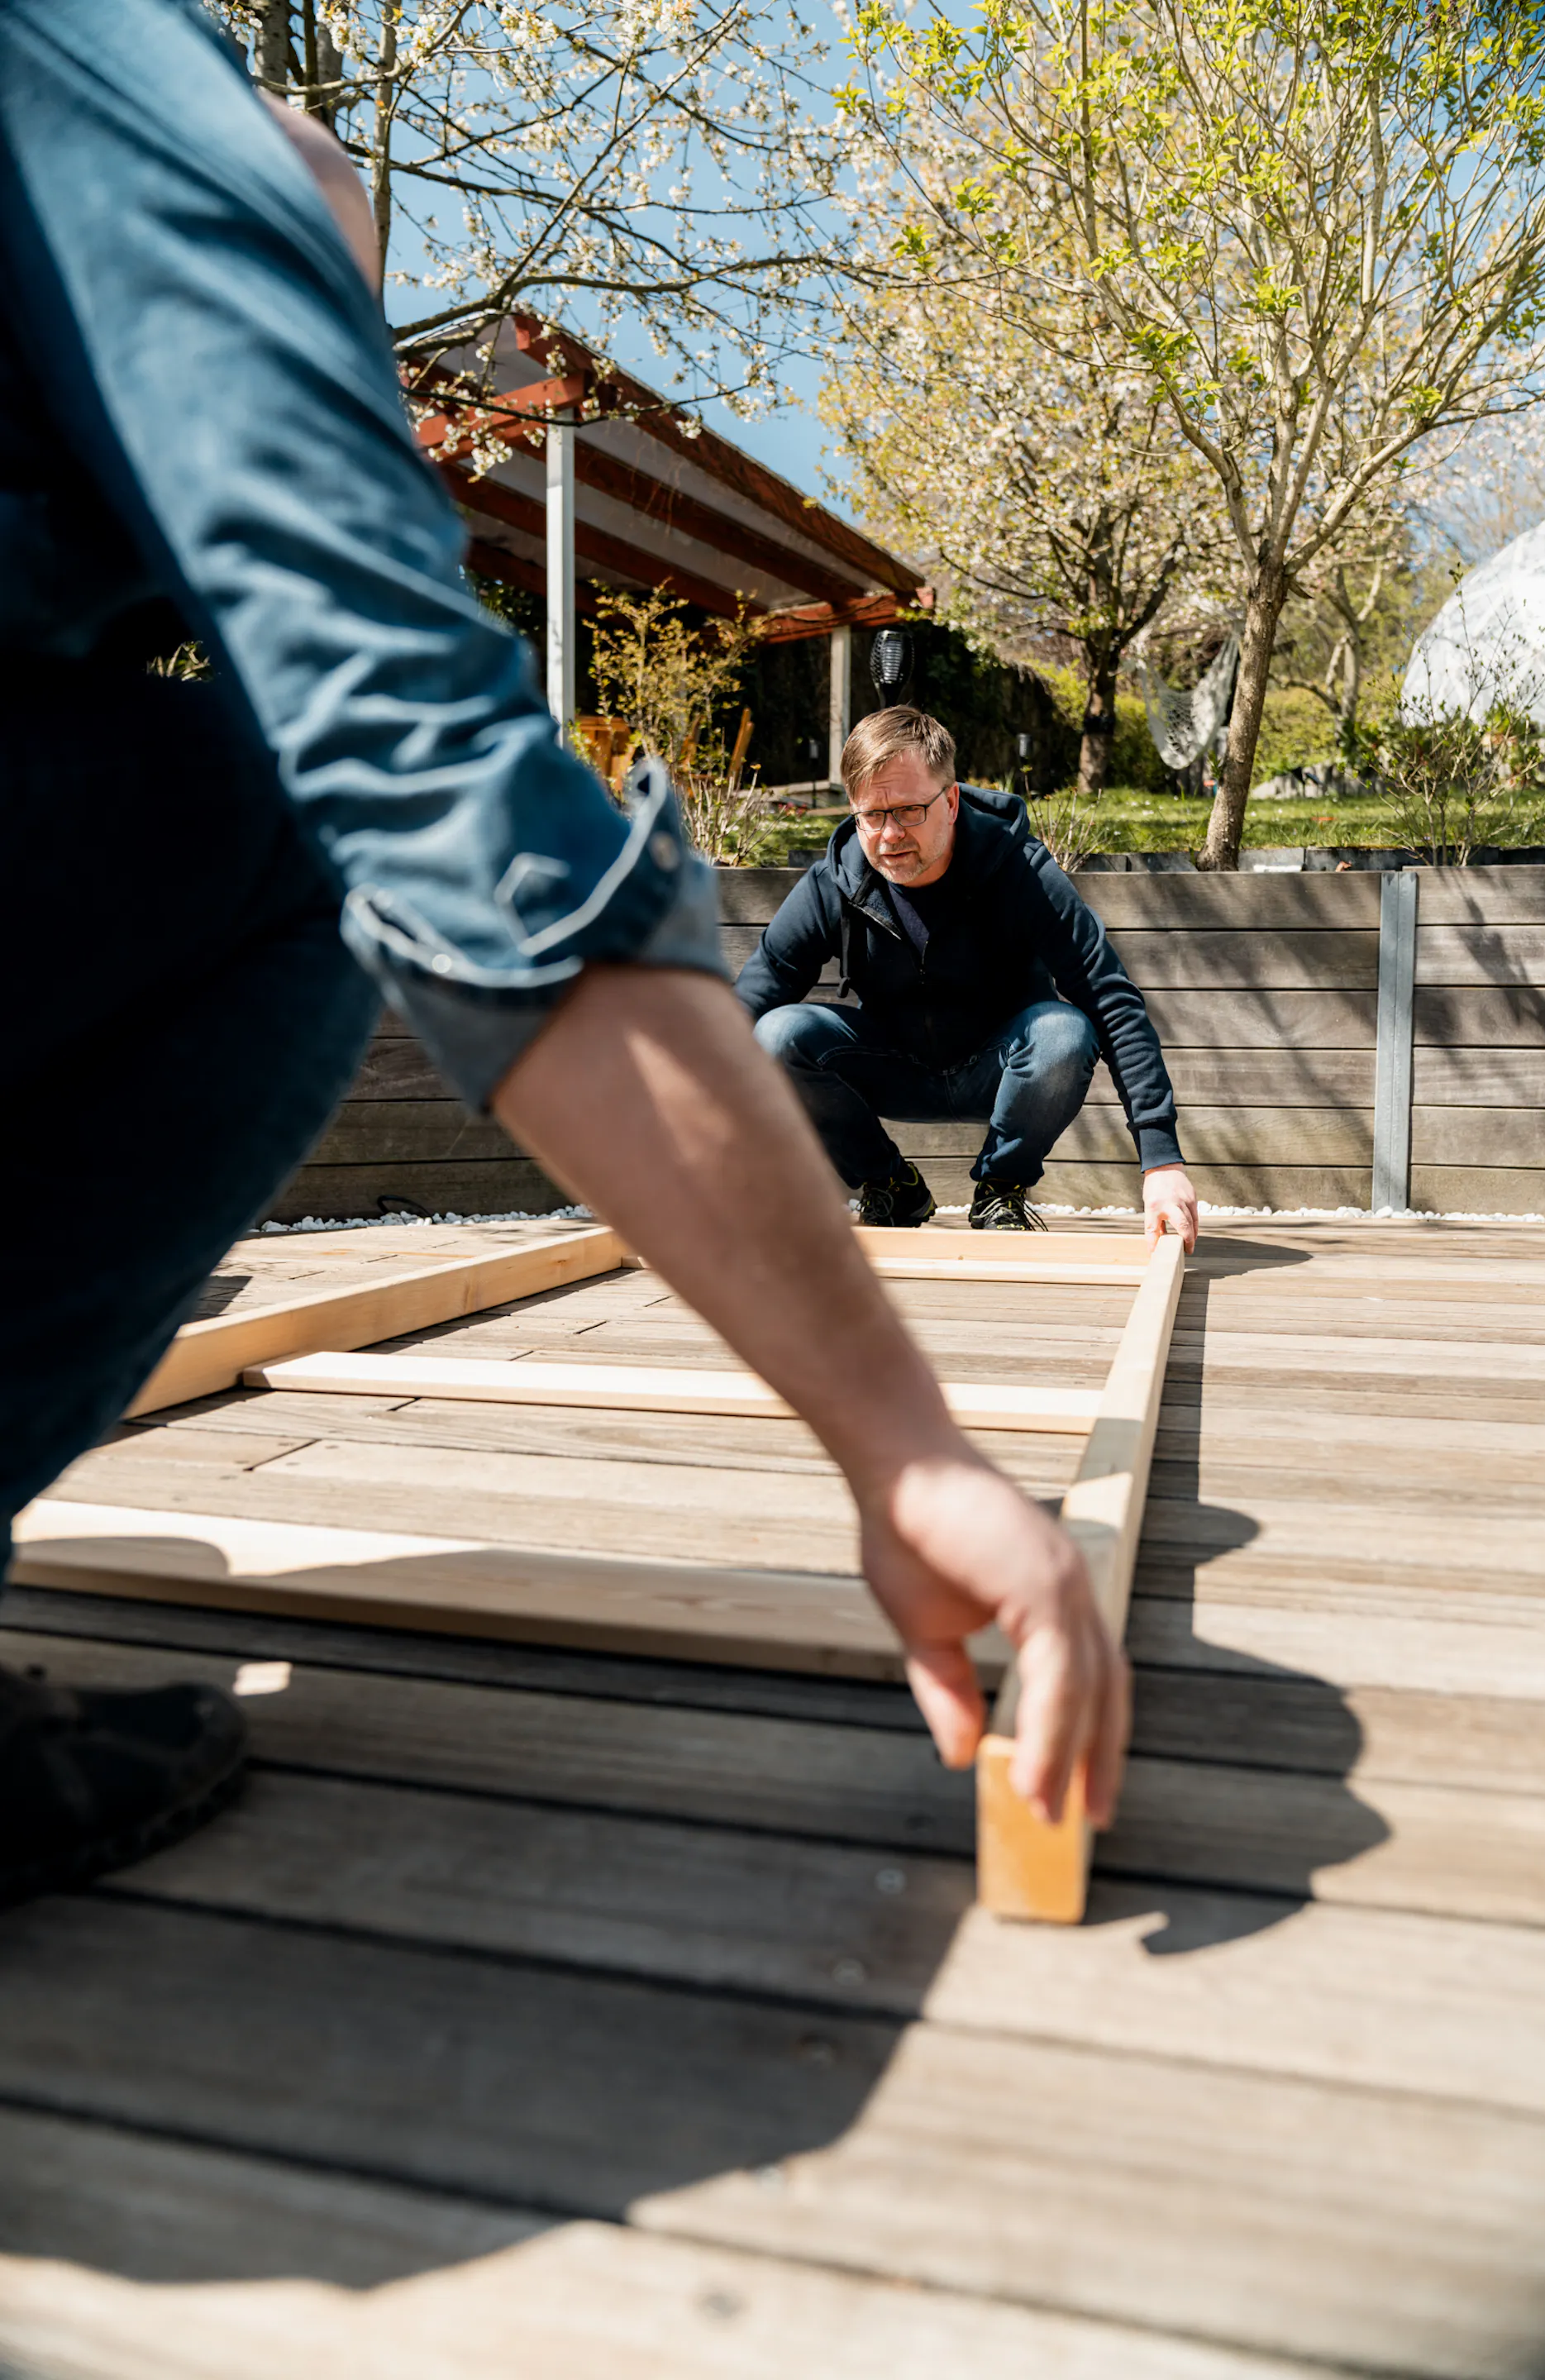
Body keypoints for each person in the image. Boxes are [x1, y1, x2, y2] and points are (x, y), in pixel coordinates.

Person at [0, 0, 1128, 1906]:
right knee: (289, 807)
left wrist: (1148, 1167)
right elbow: (440, 785)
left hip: (981, 1069)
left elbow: (1089, 991)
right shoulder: (137, 110)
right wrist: (903, 1441)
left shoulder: (1008, 864)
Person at [739, 708, 1202, 1241]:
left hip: (1005, 1069)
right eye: (872, 815)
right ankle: (890, 1186)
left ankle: (1000, 1189)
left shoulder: (1021, 871)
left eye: (910, 810)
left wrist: (1161, 1161)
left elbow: (1111, 1000)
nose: (889, 836)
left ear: (952, 800)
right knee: (776, 1034)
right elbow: (754, 996)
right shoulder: (834, 883)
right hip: (892, 1067)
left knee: (1064, 1032)